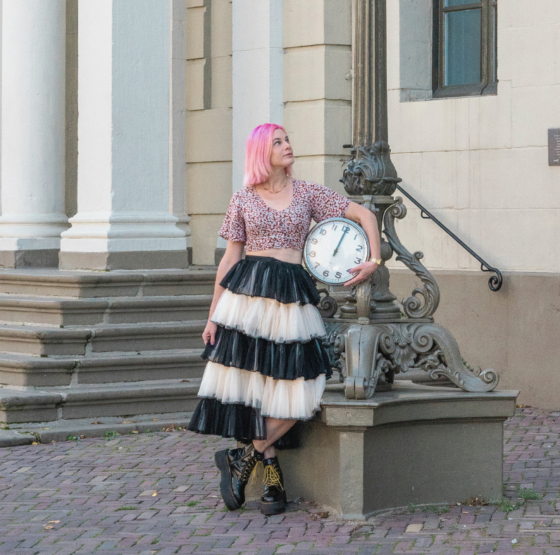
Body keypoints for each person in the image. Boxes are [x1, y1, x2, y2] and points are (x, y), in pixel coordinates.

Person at [187, 123, 381, 515]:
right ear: (262, 151)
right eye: (278, 141)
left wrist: (373, 260)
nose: (287, 145)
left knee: (304, 390)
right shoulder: (243, 198)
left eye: (287, 139)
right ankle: (272, 477)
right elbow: (230, 258)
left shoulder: (307, 192)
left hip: (292, 297)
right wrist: (212, 317)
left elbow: (364, 215)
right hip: (248, 300)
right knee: (258, 388)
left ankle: (244, 457)